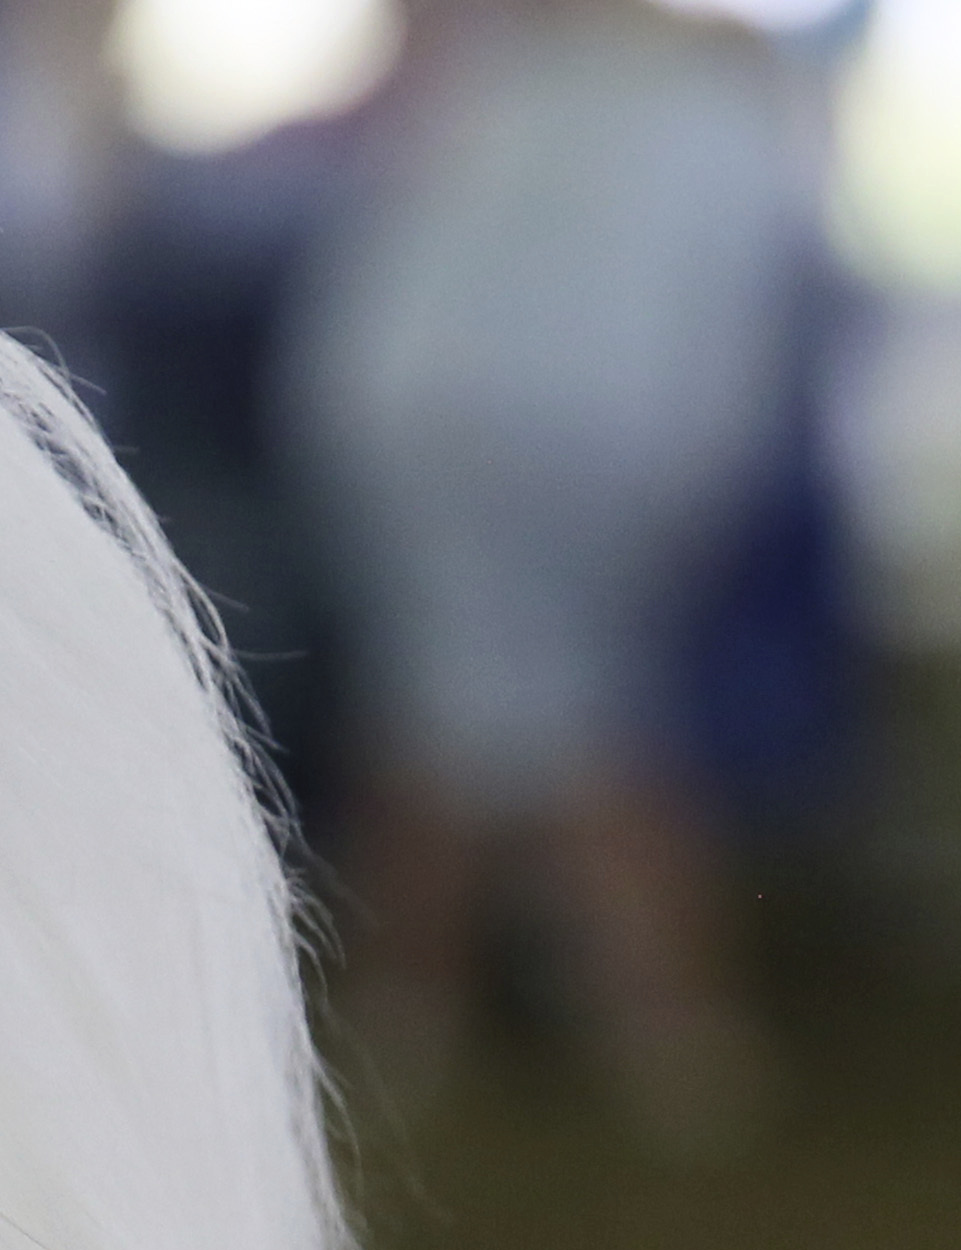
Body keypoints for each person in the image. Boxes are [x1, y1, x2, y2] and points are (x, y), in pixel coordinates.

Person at [279, 0, 826, 1141]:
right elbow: (724, 341)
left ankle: (413, 1016)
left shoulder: (527, 72)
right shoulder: (722, 119)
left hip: (406, 404)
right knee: (578, 719)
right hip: (565, 427)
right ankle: (666, 1029)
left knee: (453, 708)